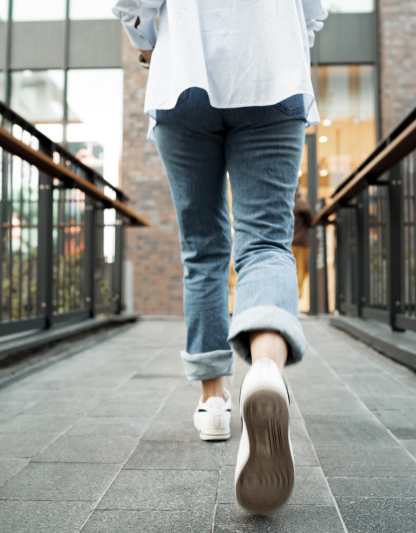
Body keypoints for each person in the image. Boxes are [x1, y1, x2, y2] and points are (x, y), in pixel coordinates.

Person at [113, 0, 327, 513]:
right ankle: (266, 368)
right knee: (266, 243)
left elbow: (133, 4)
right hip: (272, 72)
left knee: (203, 249)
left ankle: (213, 400)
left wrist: (147, 42)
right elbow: (314, 11)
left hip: (184, 74)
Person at [292, 189, 313, 303]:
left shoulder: (286, 201)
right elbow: (311, 221)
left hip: (288, 244)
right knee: (300, 273)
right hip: (300, 244)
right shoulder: (301, 204)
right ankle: (295, 301)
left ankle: (293, 301)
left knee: (292, 273)